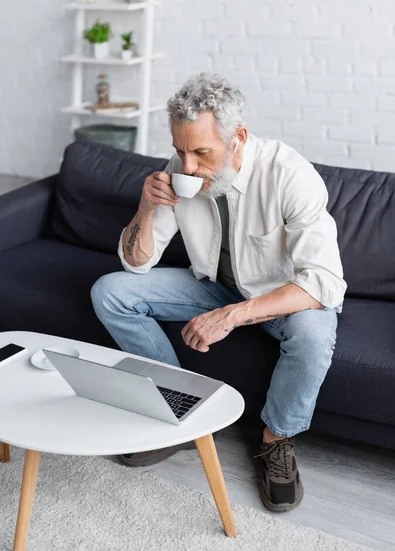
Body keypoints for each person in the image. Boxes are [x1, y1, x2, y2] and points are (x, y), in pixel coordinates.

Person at [91, 72, 347, 513]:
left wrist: (231, 316)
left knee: (314, 335)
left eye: (201, 153)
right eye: (179, 150)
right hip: (215, 287)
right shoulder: (181, 171)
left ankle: (275, 443)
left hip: (285, 296)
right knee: (110, 292)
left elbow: (323, 281)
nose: (187, 167)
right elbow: (136, 264)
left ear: (239, 138)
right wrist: (146, 208)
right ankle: (179, 412)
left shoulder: (288, 174)